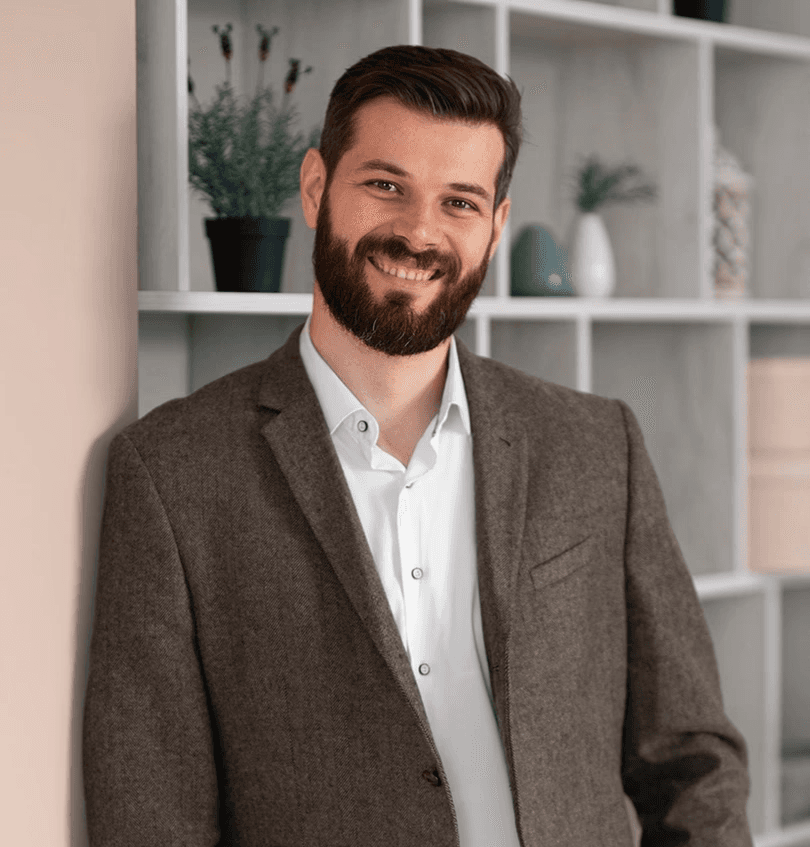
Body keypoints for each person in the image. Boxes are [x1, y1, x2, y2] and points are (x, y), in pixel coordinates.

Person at [83, 44, 753, 846]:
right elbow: (149, 812)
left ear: (496, 228)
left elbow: (691, 758)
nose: (418, 232)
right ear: (315, 186)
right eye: (385, 185)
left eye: (459, 202)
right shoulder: (173, 474)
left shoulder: (595, 445)